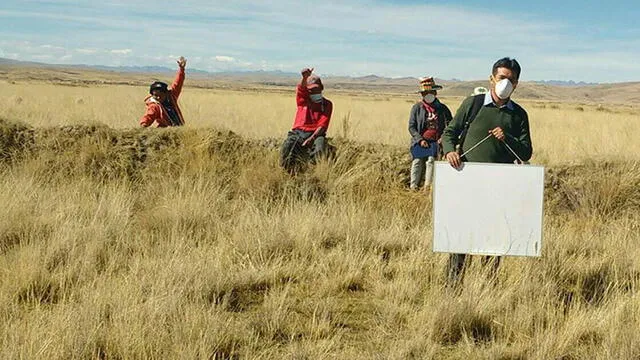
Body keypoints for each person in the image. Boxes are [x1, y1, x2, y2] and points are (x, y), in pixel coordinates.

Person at [441, 57, 533, 285]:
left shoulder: (519, 115)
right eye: (502, 78)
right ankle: (453, 284)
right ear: (492, 78)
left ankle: (488, 285)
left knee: (495, 238)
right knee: (462, 235)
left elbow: (526, 152)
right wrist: (450, 151)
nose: (506, 83)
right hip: (468, 181)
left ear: (517, 84)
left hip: (501, 186)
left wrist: (507, 137)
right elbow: (449, 133)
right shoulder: (472, 105)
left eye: (511, 80)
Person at [279, 67, 333, 173]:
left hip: (316, 134)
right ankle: (288, 172)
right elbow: (301, 89)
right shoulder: (303, 100)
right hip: (298, 132)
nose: (314, 92)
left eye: (316, 89)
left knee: (319, 147)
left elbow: (323, 125)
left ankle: (311, 173)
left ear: (322, 88)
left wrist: (311, 139)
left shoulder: (327, 104)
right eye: (311, 90)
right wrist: (304, 78)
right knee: (288, 145)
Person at [408, 76, 452, 190]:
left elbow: (450, 125)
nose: (428, 94)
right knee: (417, 160)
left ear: (435, 92)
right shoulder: (417, 108)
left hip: (436, 141)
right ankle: (413, 186)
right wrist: (420, 140)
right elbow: (411, 127)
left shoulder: (443, 109)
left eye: (431, 92)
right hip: (420, 140)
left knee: (431, 160)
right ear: (422, 94)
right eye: (426, 92)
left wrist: (443, 138)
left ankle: (427, 186)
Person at [140, 56, 187, 127]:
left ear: (166, 93)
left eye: (161, 95)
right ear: (152, 95)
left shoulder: (171, 96)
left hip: (180, 129)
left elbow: (178, 83)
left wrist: (181, 69)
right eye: (155, 95)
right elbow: (149, 116)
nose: (158, 98)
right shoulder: (154, 106)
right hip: (167, 133)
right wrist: (144, 124)